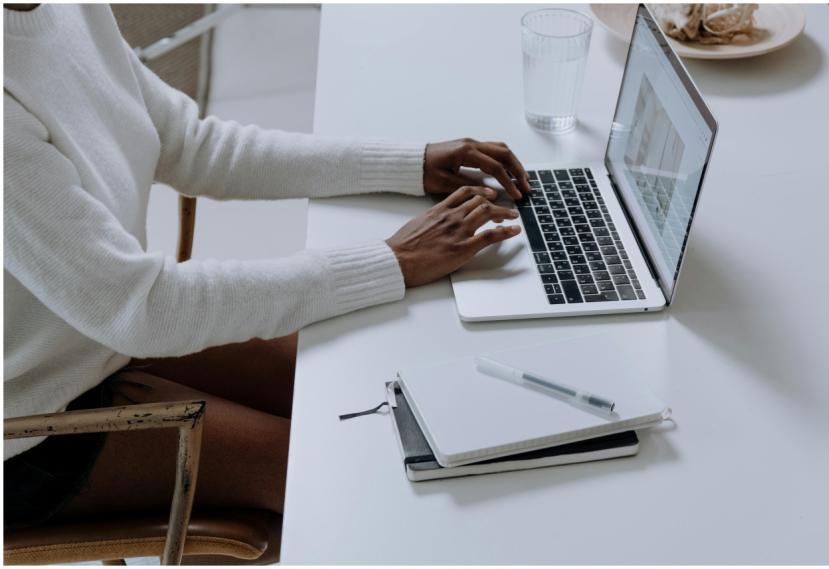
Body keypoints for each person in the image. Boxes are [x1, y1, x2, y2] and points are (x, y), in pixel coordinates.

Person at [4, 3, 529, 531]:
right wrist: (392, 260)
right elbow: (143, 307)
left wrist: (405, 163)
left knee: (365, 387)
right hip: (29, 432)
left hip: (101, 340)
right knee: (340, 482)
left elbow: (189, 142)